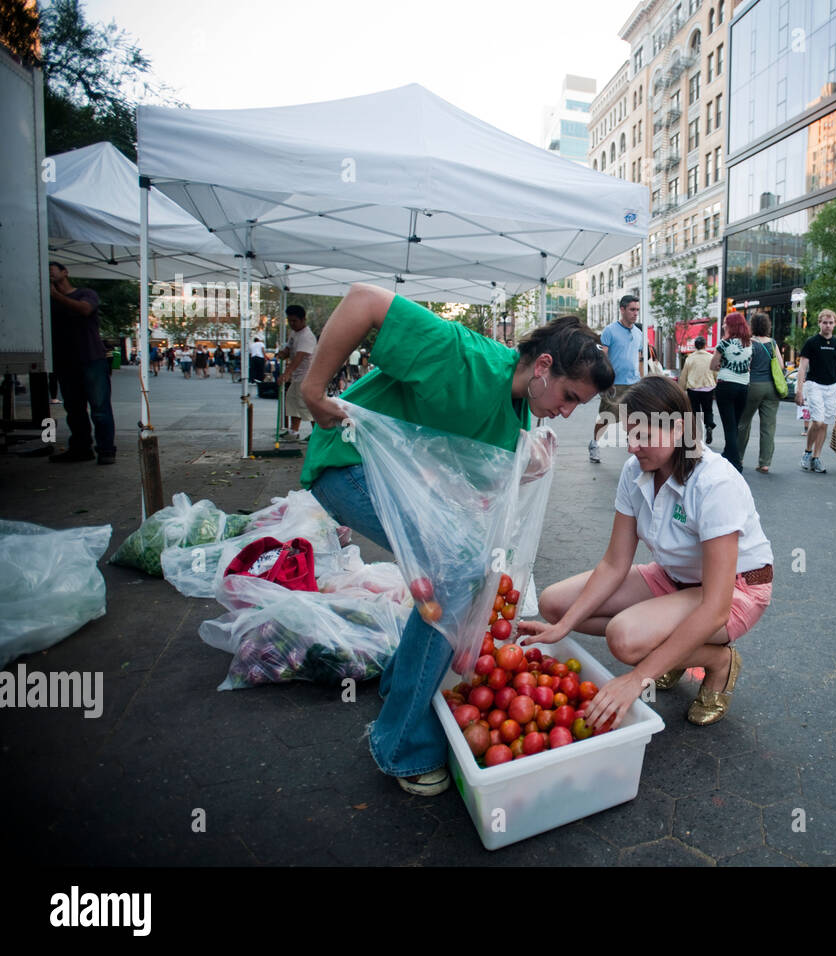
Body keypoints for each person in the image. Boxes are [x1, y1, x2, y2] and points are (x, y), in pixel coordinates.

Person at [300, 283, 614, 796]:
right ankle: (399, 745)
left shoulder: (518, 414)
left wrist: (525, 467)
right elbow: (363, 300)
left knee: (465, 571)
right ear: (543, 368)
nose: (568, 412)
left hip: (393, 477)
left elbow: (474, 489)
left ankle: (400, 683)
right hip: (350, 464)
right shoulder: (463, 357)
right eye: (569, 397)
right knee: (454, 577)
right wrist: (312, 391)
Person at [519, 376, 773, 729]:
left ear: (680, 428)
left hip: (735, 590)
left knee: (625, 639)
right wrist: (563, 627)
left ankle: (718, 662)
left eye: (645, 435)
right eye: (630, 433)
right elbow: (614, 563)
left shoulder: (715, 483)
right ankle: (669, 652)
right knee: (554, 604)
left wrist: (637, 678)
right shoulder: (635, 471)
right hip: (674, 578)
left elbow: (715, 608)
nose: (632, 447)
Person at [47, 262, 116, 465]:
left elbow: (85, 310)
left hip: (91, 358)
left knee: (100, 407)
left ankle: (106, 450)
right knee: (74, 409)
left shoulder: (85, 294)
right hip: (66, 361)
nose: (49, 271)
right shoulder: (47, 301)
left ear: (65, 272)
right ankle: (80, 447)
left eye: (53, 268)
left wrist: (56, 295)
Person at [590, 294, 642, 463]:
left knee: (634, 417)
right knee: (606, 417)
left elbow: (639, 358)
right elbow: (602, 358)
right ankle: (594, 444)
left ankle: (634, 446)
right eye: (632, 310)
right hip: (614, 384)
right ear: (622, 309)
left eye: (637, 310)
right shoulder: (610, 330)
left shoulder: (639, 333)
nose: (635, 313)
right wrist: (605, 381)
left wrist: (643, 380)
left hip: (634, 383)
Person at [797, 309, 836, 473]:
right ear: (819, 323)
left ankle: (816, 457)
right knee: (817, 421)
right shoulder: (811, 342)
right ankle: (807, 452)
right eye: (824, 322)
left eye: (830, 323)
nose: (827, 326)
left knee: (825, 423)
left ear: (834, 324)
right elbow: (802, 367)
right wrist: (799, 390)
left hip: (832, 388)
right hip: (814, 385)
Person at [737, 311, 780, 474]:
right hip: (772, 388)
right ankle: (764, 463)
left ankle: (739, 456)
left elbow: (744, 365)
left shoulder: (749, 343)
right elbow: (781, 366)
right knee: (768, 426)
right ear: (768, 326)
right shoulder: (773, 343)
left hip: (753, 385)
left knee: (744, 423)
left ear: (752, 326)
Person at [709, 311, 753, 472]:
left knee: (729, 425)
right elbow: (748, 365)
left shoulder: (723, 343)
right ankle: (729, 454)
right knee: (735, 423)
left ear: (731, 325)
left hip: (726, 384)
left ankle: (735, 463)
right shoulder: (749, 344)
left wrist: (722, 365)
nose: (723, 325)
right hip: (743, 386)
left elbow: (713, 365)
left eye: (725, 323)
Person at [278, 306, 316, 440]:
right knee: (292, 401)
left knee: (307, 405)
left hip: (307, 376)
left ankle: (317, 434)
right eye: (290, 321)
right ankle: (293, 432)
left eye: (294, 321)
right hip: (298, 376)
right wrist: (283, 353)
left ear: (303, 319)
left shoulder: (307, 336)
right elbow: (289, 348)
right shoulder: (294, 333)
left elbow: (299, 358)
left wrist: (286, 373)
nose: (292, 324)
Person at [679, 336, 716, 444]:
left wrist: (681, 389)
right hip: (708, 388)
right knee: (708, 410)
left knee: (695, 411)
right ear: (705, 345)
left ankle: (697, 434)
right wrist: (714, 381)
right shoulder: (710, 357)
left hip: (693, 389)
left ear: (695, 346)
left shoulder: (690, 358)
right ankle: (709, 425)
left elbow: (684, 375)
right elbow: (715, 373)